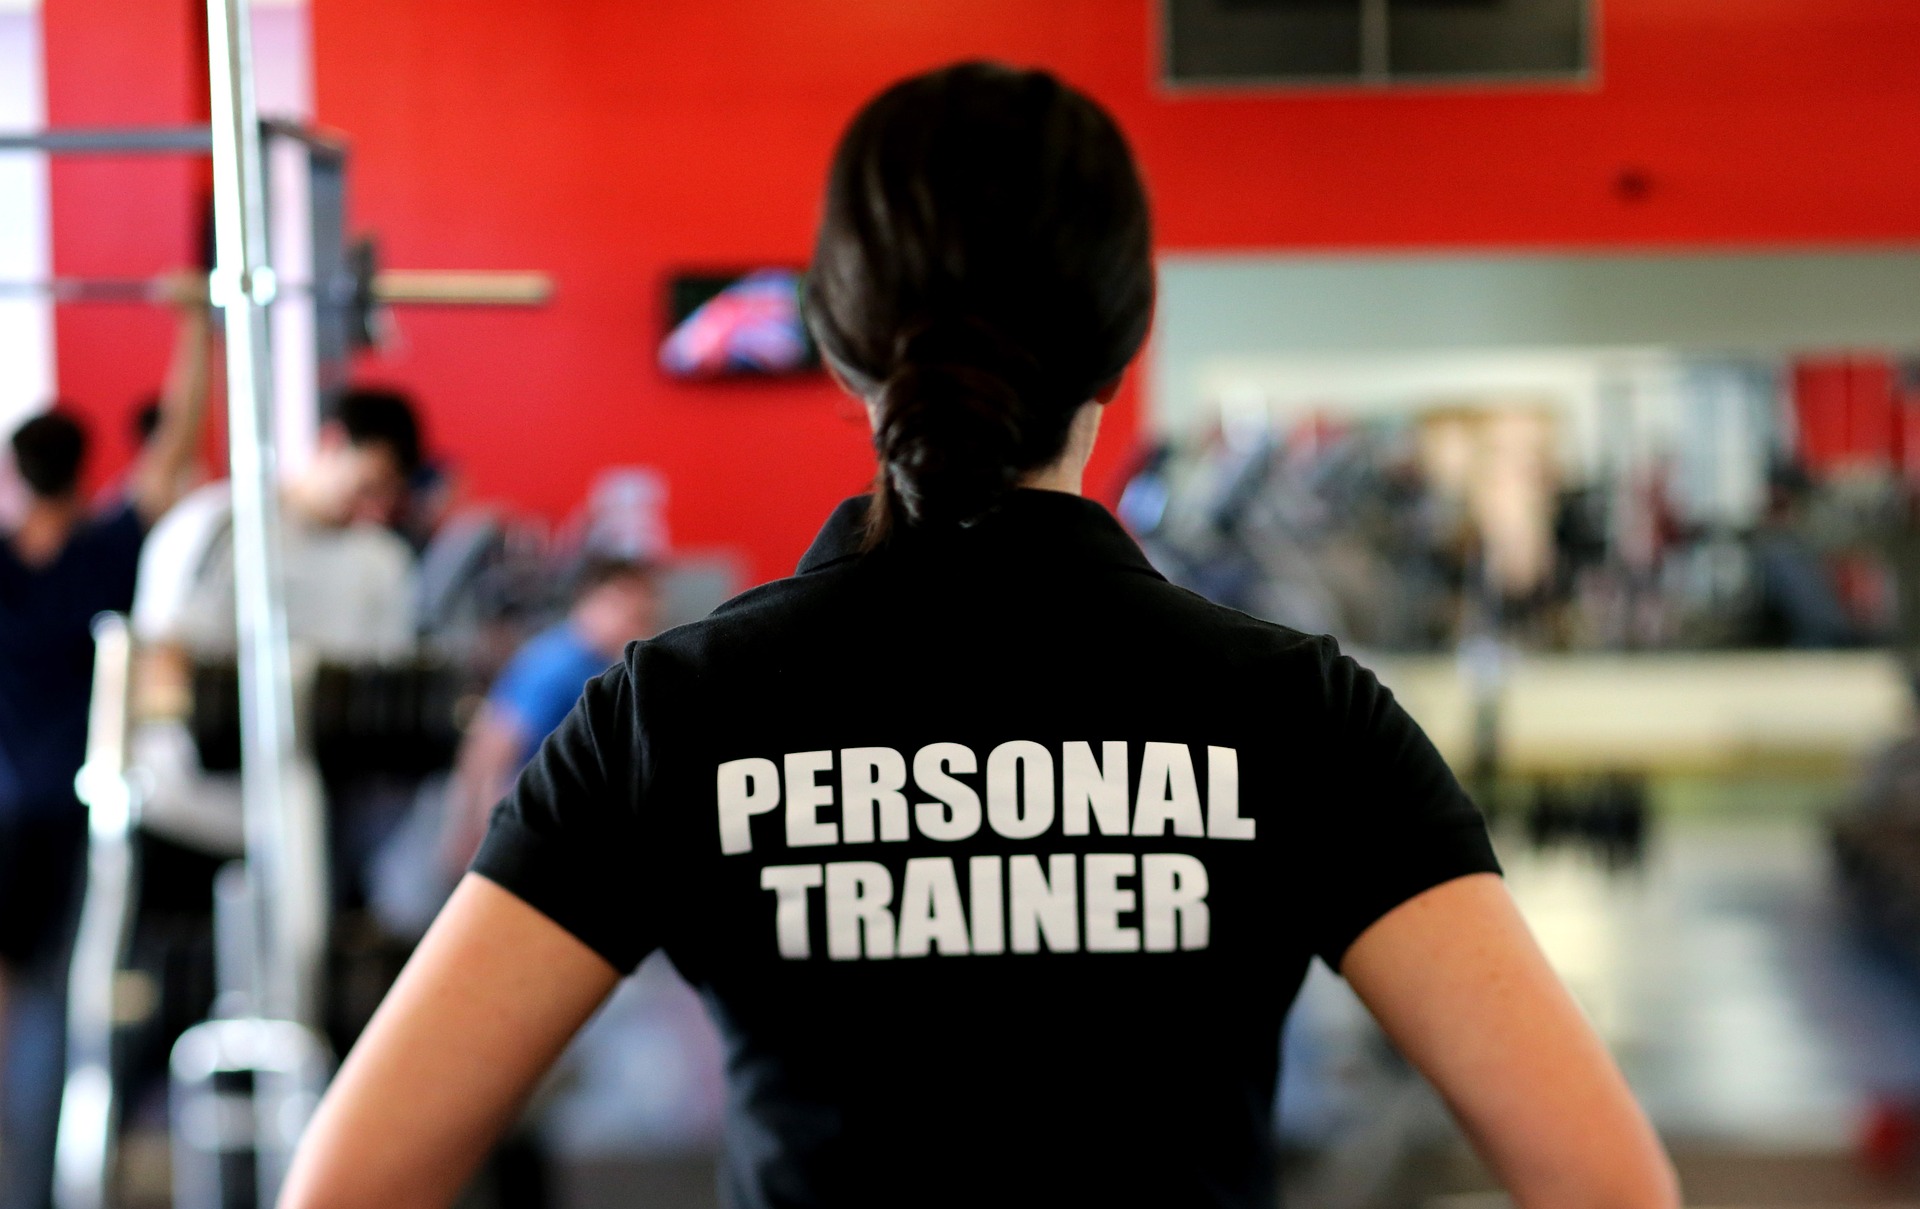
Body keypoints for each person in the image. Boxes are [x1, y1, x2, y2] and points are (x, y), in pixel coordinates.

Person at [280, 64, 1678, 1209]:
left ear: (833, 334)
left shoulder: (675, 712)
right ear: (1128, 337)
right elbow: (1611, 1189)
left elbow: (344, 1185)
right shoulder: (1298, 715)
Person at [0, 282, 211, 1209]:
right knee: (57, 1004)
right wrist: (196, 324)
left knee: (37, 1010)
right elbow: (173, 450)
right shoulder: (111, 545)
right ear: (86, 472)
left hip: (26, 813)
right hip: (77, 811)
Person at [440, 556, 663, 876]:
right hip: (528, 830)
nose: (639, 626)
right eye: (630, 613)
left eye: (645, 616)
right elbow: (492, 748)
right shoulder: (557, 663)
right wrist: (473, 835)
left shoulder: (600, 665)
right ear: (592, 600)